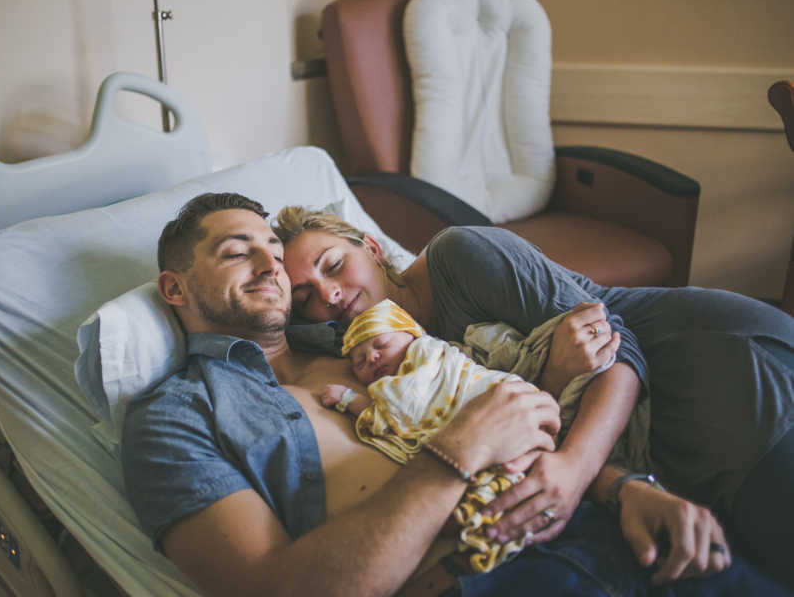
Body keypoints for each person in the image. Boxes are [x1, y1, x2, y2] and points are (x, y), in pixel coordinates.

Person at [122, 192, 790, 597]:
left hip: (703, 405)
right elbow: (276, 589)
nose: (273, 265)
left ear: (371, 248)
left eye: (274, 247)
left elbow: (521, 399)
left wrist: (624, 489)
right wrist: (458, 450)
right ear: (175, 289)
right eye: (240, 252)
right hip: (499, 575)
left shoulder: (373, 340)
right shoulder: (177, 415)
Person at [320, 297, 640, 573]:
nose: (372, 358)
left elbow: (404, 407)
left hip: (503, 407)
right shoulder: (391, 383)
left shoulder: (428, 355)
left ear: (411, 333)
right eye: (360, 361)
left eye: (380, 344)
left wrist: (352, 401)